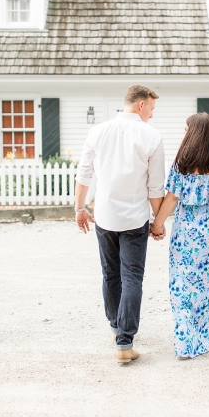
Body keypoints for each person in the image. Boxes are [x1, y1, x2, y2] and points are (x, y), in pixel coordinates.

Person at [74, 85, 165, 363]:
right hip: (135, 218)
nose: (151, 115)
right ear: (140, 105)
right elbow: (156, 185)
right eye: (151, 108)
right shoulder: (151, 136)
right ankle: (125, 342)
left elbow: (85, 171)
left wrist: (79, 207)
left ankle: (116, 329)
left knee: (110, 275)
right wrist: (157, 222)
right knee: (132, 278)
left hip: (105, 215)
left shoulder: (98, 131)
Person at [150, 112, 209, 359]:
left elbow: (171, 197)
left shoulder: (183, 165)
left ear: (193, 134)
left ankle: (187, 337)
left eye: (185, 130)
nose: (183, 134)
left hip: (189, 236)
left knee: (185, 283)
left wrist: (157, 224)